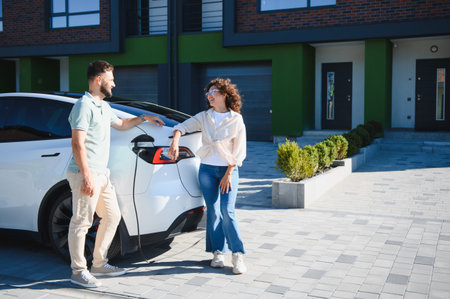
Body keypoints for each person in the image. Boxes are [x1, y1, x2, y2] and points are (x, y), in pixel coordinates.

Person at [67, 60, 164, 288]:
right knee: (81, 222)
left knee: (112, 216)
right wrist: (87, 175)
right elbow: (77, 144)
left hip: (102, 175)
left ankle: (99, 264)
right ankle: (78, 270)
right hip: (85, 174)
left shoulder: (103, 106)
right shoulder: (84, 106)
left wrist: (143, 118)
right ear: (99, 80)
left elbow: (120, 124)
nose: (114, 83)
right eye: (111, 79)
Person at [168, 78, 247, 274]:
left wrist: (228, 173)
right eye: (208, 93)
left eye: (214, 92)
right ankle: (218, 252)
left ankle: (237, 255)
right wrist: (175, 142)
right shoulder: (204, 117)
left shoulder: (235, 119)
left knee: (227, 211)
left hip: (228, 170)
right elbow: (181, 126)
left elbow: (239, 151)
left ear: (225, 95)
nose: (209, 96)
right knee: (212, 212)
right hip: (206, 170)